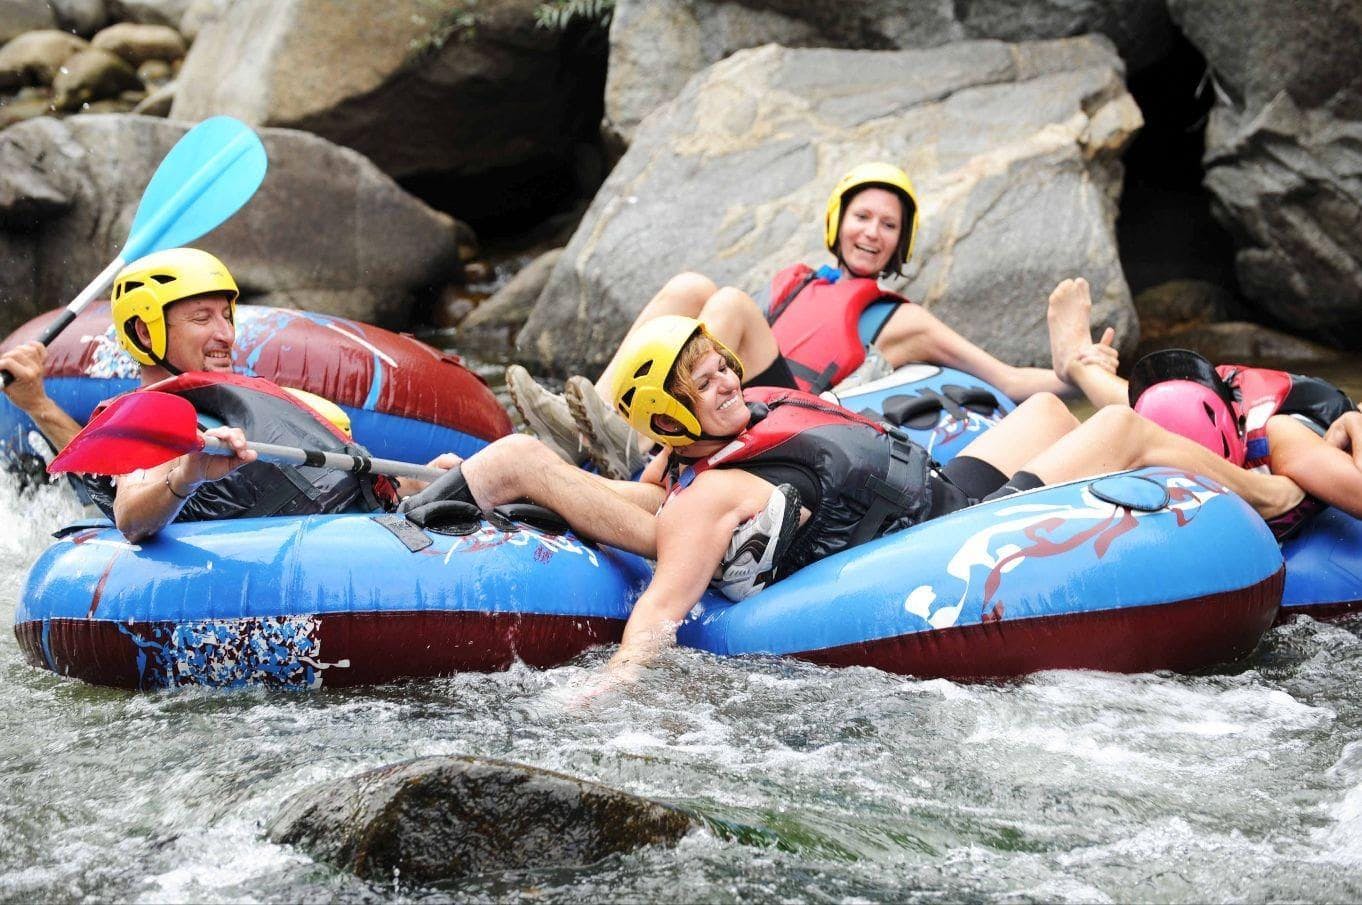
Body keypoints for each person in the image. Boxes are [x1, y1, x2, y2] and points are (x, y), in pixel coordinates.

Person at [408, 315, 1303, 678]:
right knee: (1123, 435)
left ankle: (515, 466)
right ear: (672, 413)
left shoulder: (700, 454)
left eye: (720, 363)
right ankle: (1269, 491)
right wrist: (605, 696)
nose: (725, 376)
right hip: (945, 528)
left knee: (1039, 406)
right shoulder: (707, 496)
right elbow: (657, 614)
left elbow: (651, 490)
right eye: (703, 378)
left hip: (932, 487)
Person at [506, 162, 1116, 479]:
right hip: (725, 393)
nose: (872, 233)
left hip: (789, 410)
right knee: (691, 286)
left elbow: (1005, 379)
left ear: (900, 243)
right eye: (862, 217)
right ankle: (591, 422)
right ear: (837, 222)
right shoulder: (798, 284)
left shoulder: (898, 320)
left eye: (888, 225)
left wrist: (1074, 369)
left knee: (730, 305)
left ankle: (634, 440)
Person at [2, 247, 406, 543]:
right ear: (146, 332)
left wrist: (411, 485)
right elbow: (129, 513)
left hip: (358, 531)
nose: (226, 334)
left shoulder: (238, 403)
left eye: (227, 316)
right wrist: (188, 474)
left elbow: (108, 465)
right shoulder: (147, 415)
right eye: (202, 318)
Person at [1046, 276, 1362, 536]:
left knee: (1149, 426)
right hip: (1208, 394)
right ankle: (1079, 364)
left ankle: (1080, 365)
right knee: (1139, 412)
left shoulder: (1286, 444)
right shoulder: (1169, 416)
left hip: (1282, 414)